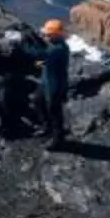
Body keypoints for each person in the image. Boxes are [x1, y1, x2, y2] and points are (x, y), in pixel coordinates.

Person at [34, 17, 72, 146]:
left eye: (47, 35)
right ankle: (46, 127)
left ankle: (58, 138)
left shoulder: (58, 48)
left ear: (55, 35)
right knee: (38, 100)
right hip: (46, 81)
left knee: (53, 110)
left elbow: (38, 54)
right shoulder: (54, 45)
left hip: (55, 85)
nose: (45, 36)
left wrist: (24, 42)